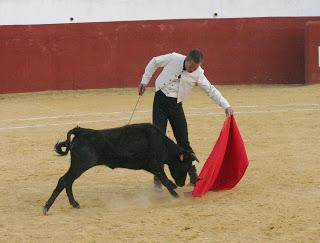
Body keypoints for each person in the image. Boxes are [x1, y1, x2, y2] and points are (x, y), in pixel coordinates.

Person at [138, 50, 233, 190]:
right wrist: (145, 81)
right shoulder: (174, 58)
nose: (193, 70)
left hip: (176, 105)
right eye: (191, 67)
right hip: (160, 101)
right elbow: (154, 61)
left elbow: (210, 90)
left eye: (196, 68)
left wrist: (226, 105)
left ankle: (193, 173)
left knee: (183, 140)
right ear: (187, 60)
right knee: (158, 139)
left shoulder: (198, 73)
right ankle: (158, 177)